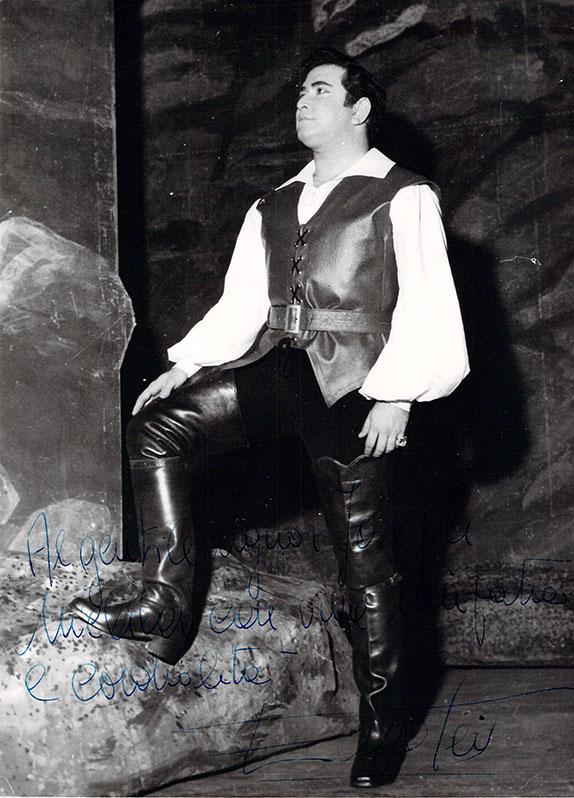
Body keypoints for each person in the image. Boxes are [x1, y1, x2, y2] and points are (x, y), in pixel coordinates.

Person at [70, 48, 469, 787]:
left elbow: (428, 300)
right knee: (156, 429)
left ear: (359, 109)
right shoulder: (274, 204)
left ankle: (382, 726)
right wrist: (187, 365)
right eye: (299, 91)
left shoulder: (404, 194)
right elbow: (244, 303)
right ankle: (164, 602)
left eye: (320, 90)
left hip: (358, 385)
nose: (303, 101)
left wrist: (398, 394)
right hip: (283, 371)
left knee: (365, 566)